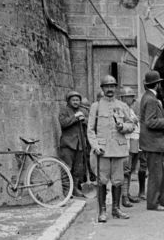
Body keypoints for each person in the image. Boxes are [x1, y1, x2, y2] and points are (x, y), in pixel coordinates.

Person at [87, 75, 135, 222]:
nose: (109, 89)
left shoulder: (122, 106)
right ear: (102, 88)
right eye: (107, 86)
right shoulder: (95, 107)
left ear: (116, 88)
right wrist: (95, 146)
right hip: (102, 151)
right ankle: (102, 211)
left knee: (118, 180)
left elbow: (132, 125)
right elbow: (90, 130)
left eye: (112, 86)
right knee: (102, 181)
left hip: (119, 150)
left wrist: (123, 127)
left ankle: (116, 209)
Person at [139, 70, 164, 211]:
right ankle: (153, 203)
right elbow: (150, 122)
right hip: (153, 143)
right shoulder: (151, 100)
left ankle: (161, 199)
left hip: (152, 142)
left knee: (159, 172)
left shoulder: (147, 97)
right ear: (157, 84)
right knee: (155, 174)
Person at [58, 91, 89, 198]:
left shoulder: (83, 111)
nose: (76, 102)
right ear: (69, 101)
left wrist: (84, 119)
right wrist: (75, 117)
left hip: (80, 144)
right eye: (73, 100)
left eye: (77, 100)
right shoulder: (64, 111)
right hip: (68, 144)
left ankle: (75, 188)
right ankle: (67, 191)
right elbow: (63, 123)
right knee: (67, 168)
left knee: (78, 169)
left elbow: (90, 123)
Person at [118, 86, 140, 208]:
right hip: (125, 142)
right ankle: (124, 197)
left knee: (130, 169)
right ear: (123, 97)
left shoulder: (129, 108)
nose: (132, 99)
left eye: (132, 96)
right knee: (125, 170)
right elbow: (120, 125)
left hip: (133, 141)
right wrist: (133, 121)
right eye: (129, 96)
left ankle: (127, 193)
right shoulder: (120, 108)